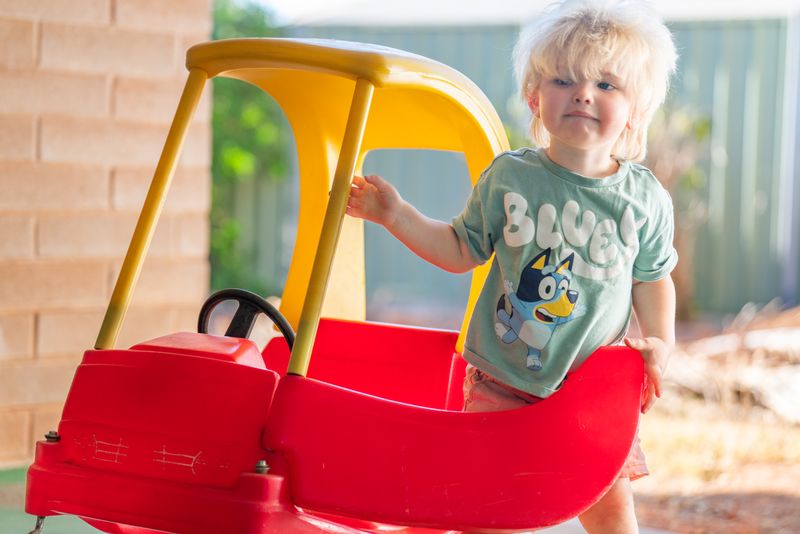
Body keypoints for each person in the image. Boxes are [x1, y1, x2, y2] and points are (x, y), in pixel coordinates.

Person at [347, 0, 677, 531]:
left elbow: (653, 278)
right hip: (501, 378)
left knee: (610, 508)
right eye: (563, 80)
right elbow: (459, 248)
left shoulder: (644, 199)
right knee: (482, 501)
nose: (583, 93)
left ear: (636, 109)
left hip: (591, 390)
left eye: (607, 84)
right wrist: (398, 216)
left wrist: (661, 342)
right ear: (533, 96)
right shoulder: (510, 179)